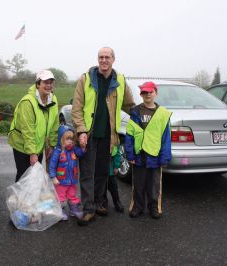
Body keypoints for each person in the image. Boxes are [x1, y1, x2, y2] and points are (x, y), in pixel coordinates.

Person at [72, 47, 136, 226]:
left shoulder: (120, 80)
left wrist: (150, 115)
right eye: (101, 57)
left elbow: (130, 105)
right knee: (87, 173)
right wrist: (81, 130)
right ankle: (88, 209)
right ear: (97, 59)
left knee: (102, 173)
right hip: (89, 134)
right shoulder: (85, 79)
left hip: (109, 135)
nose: (104, 60)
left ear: (113, 59)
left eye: (107, 57)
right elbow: (77, 109)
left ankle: (99, 202)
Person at [125, 81, 172, 219]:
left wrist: (164, 157)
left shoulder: (162, 114)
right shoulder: (135, 112)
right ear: (141, 94)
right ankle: (138, 207)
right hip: (139, 154)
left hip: (155, 155)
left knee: (154, 184)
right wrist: (130, 153)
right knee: (138, 184)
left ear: (155, 93)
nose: (147, 95)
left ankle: (154, 208)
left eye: (150, 92)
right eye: (144, 92)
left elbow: (166, 138)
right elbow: (129, 135)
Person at [8, 70, 59, 182]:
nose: (49, 85)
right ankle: (19, 198)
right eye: (45, 82)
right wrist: (32, 153)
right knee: (24, 176)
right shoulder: (28, 102)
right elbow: (28, 131)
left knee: (34, 176)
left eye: (51, 82)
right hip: (21, 145)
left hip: (38, 145)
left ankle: (31, 199)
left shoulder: (53, 99)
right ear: (38, 84)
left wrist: (51, 145)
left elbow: (55, 124)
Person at [48, 125, 85, 221]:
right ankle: (58, 212)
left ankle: (74, 209)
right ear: (61, 139)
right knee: (60, 197)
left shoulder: (74, 149)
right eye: (67, 139)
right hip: (61, 181)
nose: (70, 141)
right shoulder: (57, 151)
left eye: (72, 139)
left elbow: (80, 154)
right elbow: (52, 165)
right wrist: (53, 177)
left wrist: (83, 148)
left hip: (72, 180)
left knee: (72, 195)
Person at [103, 145, 124, 213]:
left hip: (110, 169)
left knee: (113, 187)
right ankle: (103, 201)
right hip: (101, 169)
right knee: (101, 186)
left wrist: (116, 165)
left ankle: (117, 201)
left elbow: (117, 153)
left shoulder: (114, 136)